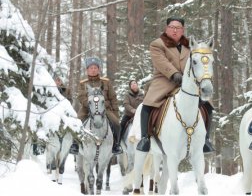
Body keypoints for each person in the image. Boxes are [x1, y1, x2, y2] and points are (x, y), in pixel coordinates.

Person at [136, 17, 215, 153]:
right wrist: (173, 74)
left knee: (208, 105)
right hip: (164, 81)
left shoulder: (190, 46)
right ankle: (145, 139)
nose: (174, 30)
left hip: (187, 83)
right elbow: (160, 62)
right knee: (148, 105)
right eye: (172, 27)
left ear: (182, 30)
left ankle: (205, 139)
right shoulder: (157, 44)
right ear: (166, 29)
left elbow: (197, 62)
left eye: (178, 28)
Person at [69, 57, 123, 155]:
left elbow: (113, 97)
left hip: (105, 108)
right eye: (91, 68)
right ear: (87, 70)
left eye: (95, 68)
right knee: (77, 122)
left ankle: (116, 145)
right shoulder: (83, 84)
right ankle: (75, 144)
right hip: (87, 108)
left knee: (116, 124)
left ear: (98, 69)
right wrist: (90, 104)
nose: (93, 70)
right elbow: (81, 97)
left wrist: (115, 112)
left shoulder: (106, 82)